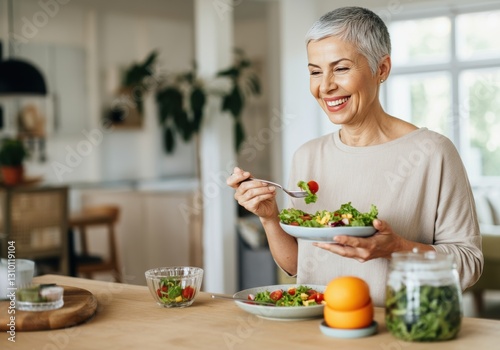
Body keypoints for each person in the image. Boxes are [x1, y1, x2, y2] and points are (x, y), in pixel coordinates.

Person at [227, 6, 483, 306]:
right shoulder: (307, 156)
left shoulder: (433, 152)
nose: (325, 86)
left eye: (341, 68)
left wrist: (397, 248)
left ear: (382, 69)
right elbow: (299, 266)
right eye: (314, 71)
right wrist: (269, 217)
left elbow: (470, 264)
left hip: (399, 328)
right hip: (315, 326)